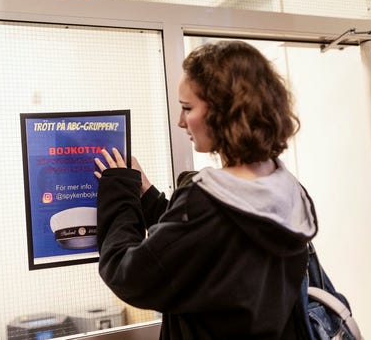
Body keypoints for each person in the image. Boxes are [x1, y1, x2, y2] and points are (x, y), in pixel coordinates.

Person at [93, 40, 318, 339]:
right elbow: (209, 250)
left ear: (226, 111)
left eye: (188, 108)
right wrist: (148, 197)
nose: (181, 121)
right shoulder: (286, 189)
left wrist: (119, 192)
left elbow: (128, 274)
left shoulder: (207, 206)